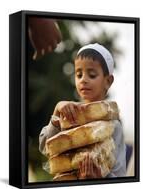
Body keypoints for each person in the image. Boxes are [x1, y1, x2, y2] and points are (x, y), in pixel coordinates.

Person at [39, 43, 126, 179]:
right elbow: (45, 147)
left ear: (108, 81)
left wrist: (97, 178)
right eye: (79, 75)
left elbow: (120, 175)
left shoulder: (114, 126)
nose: (83, 80)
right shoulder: (68, 113)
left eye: (91, 75)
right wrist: (57, 111)